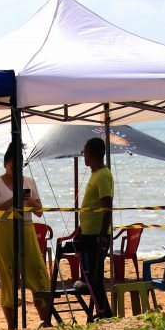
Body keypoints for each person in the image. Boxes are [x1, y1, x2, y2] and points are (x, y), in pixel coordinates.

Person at [0, 143, 52, 330]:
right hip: (5, 231)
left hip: (27, 229)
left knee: (39, 275)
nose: (16, 171)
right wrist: (12, 201)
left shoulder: (29, 181)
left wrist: (28, 199)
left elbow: (39, 212)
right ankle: (12, 326)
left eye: (19, 167)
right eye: (12, 167)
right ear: (5, 165)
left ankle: (46, 322)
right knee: (9, 279)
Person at [75, 136, 114, 319]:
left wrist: (102, 234)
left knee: (96, 278)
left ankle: (105, 313)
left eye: (85, 153)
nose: (84, 156)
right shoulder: (94, 174)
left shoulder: (103, 175)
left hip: (97, 235)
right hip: (88, 233)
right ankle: (100, 311)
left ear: (93, 154)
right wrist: (81, 228)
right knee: (90, 277)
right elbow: (91, 205)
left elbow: (107, 205)